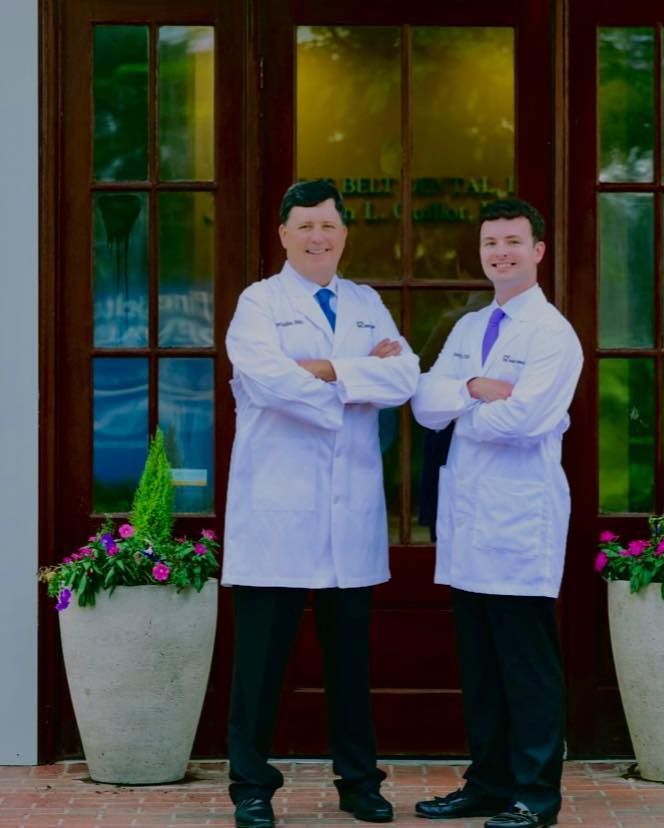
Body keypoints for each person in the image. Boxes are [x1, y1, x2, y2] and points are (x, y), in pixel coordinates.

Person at [223, 179, 419, 828]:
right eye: (304, 225)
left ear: (344, 234)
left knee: (350, 663)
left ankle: (358, 782)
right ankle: (251, 787)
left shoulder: (365, 304)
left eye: (328, 226)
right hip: (277, 513)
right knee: (260, 666)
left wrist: (324, 369)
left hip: (349, 514)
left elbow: (405, 377)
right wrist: (354, 373)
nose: (317, 236)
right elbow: (267, 381)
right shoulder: (259, 303)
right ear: (282, 234)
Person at [411, 198, 583, 828]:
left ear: (538, 250)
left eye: (513, 241)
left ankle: (535, 796)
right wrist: (476, 390)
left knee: (526, 667)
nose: (500, 253)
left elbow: (527, 420)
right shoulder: (466, 328)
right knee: (480, 666)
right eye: (491, 243)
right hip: (466, 521)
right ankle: (486, 783)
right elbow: (425, 403)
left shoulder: (552, 334)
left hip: (518, 522)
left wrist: (466, 405)